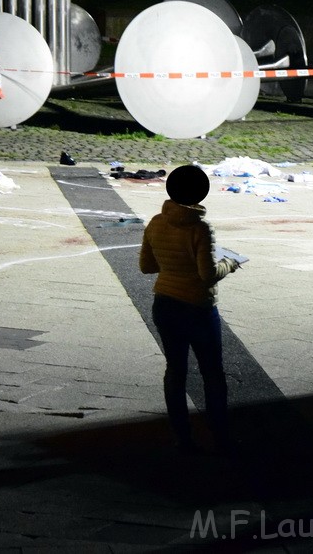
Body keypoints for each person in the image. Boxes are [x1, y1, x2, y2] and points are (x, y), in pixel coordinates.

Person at [140, 164, 242, 452]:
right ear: (201, 194)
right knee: (212, 373)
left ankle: (181, 436)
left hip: (165, 304)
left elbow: (147, 266)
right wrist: (230, 263)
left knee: (175, 370)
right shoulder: (200, 227)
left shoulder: (156, 223)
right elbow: (207, 274)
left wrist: (173, 263)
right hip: (197, 307)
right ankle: (220, 435)